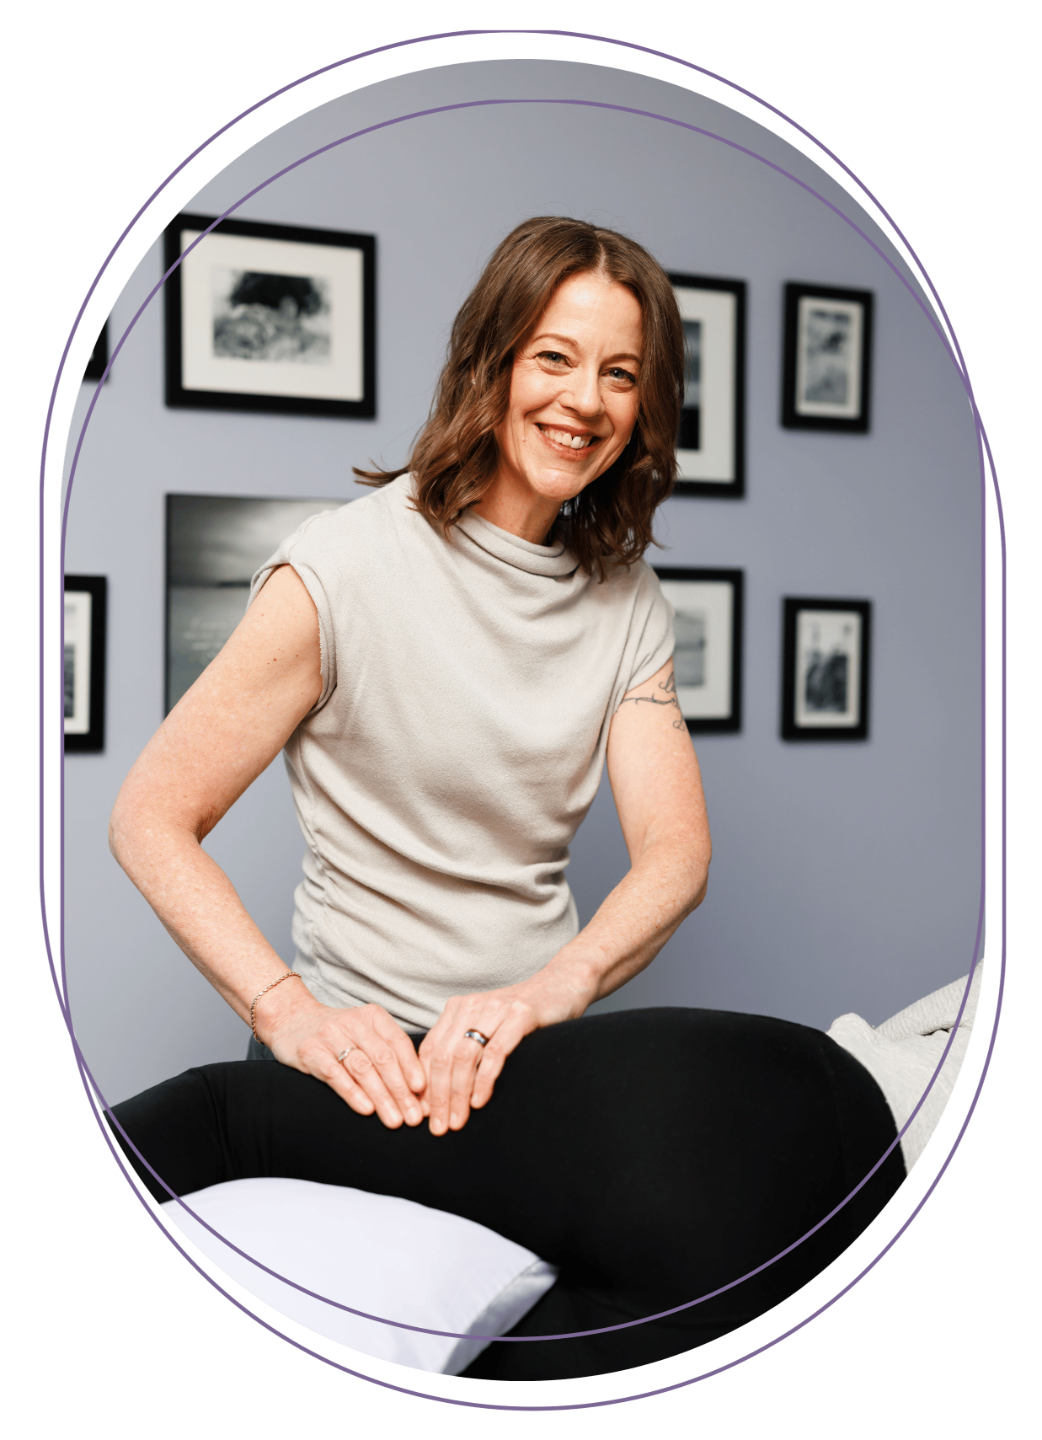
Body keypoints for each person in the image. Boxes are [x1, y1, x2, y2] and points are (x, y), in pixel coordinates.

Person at [107, 216, 917, 1380]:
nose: (584, 400)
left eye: (620, 374)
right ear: (489, 362)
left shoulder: (626, 601)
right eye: (553, 357)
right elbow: (150, 815)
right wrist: (288, 1014)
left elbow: (674, 854)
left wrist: (548, 992)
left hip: (525, 1072)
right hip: (353, 1078)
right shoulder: (342, 567)